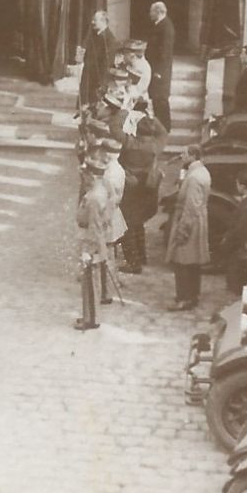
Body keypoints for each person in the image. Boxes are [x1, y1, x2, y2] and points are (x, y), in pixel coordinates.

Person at [75, 141, 128, 330]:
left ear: (91, 175)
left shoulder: (95, 198)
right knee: (91, 283)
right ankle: (91, 317)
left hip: (92, 245)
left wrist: (89, 252)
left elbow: (95, 228)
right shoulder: (101, 189)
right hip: (95, 242)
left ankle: (91, 319)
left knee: (90, 285)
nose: (83, 178)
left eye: (85, 174)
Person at [118, 109, 167, 274]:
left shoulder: (130, 144)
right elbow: (163, 131)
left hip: (131, 187)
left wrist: (125, 112)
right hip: (147, 188)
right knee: (139, 223)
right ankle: (141, 256)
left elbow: (115, 130)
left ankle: (133, 262)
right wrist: (151, 117)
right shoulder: (155, 146)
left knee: (127, 225)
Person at [167, 144, 211, 311]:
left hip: (190, 221)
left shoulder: (193, 177)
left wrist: (182, 230)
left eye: (184, 154)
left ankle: (184, 298)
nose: (182, 156)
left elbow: (190, 206)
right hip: (199, 220)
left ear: (193, 155)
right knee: (193, 262)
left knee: (183, 261)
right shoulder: (202, 172)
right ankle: (193, 295)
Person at [76, 10, 120, 111]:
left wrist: (101, 88)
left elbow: (106, 66)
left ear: (103, 21)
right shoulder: (95, 35)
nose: (92, 22)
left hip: (97, 85)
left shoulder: (109, 40)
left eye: (95, 20)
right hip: (89, 81)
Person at [145, 1, 175, 130]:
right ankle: (160, 128)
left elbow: (165, 53)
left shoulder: (166, 28)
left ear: (158, 12)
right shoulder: (159, 25)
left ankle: (164, 128)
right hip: (155, 69)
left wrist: (158, 72)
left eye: (152, 11)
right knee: (157, 100)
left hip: (160, 72)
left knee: (161, 100)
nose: (149, 14)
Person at [122, 40, 152, 111]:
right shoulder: (134, 65)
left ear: (132, 55)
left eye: (125, 53)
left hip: (137, 101)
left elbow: (132, 90)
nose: (123, 56)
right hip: (134, 97)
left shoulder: (140, 67)